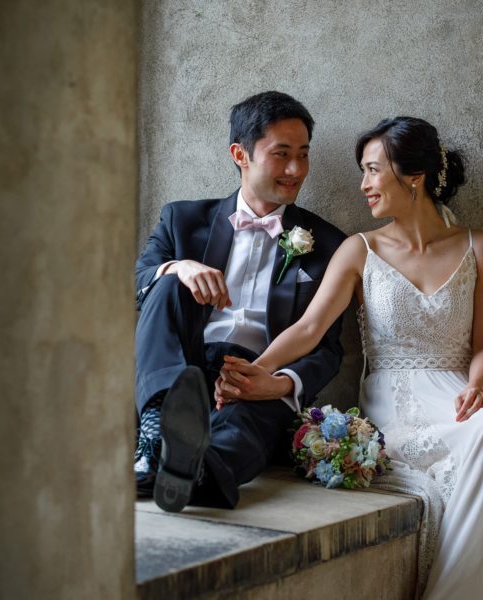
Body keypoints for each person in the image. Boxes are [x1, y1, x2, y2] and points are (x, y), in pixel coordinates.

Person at [217, 117, 483, 599]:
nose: (363, 185)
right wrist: (257, 372)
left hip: (457, 393)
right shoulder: (360, 249)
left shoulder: (480, 247)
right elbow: (309, 328)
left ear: (413, 177)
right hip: (393, 398)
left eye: (372, 170)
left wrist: (479, 386)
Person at [133, 91, 346, 512]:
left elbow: (327, 347)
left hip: (259, 369)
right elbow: (138, 281)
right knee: (171, 281)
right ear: (240, 154)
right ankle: (160, 423)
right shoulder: (182, 218)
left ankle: (191, 470)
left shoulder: (328, 244)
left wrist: (280, 383)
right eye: (281, 154)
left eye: (303, 155)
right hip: (186, 363)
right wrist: (179, 267)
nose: (295, 170)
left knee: (245, 425)